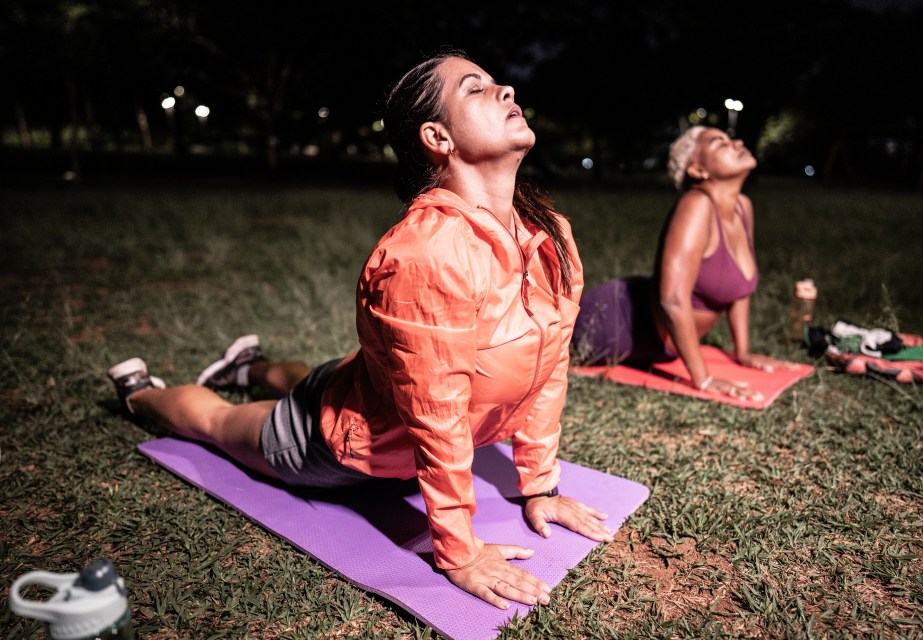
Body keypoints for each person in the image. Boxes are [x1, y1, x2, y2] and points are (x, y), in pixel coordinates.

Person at [106, 49, 613, 610]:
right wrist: (461, 552)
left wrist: (540, 485)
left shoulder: (550, 233)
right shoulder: (427, 252)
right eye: (476, 89)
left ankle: (248, 366)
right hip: (338, 443)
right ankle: (140, 393)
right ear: (437, 138)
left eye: (499, 84)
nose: (507, 92)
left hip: (368, 390)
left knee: (329, 379)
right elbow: (436, 415)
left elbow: (550, 364)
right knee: (219, 421)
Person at [572, 126, 799, 400]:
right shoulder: (696, 205)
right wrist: (703, 380)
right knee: (536, 354)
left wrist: (744, 354)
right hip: (613, 320)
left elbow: (740, 289)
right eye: (720, 143)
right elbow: (672, 299)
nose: (738, 142)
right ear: (698, 170)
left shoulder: (742, 206)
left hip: (656, 343)